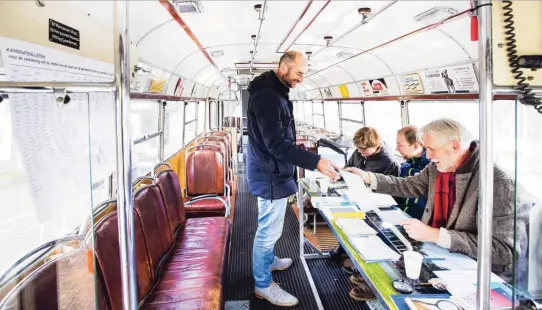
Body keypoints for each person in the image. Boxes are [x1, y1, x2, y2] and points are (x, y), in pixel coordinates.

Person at [345, 118, 530, 279]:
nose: (428, 156)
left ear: (455, 146)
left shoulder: (499, 184)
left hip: (479, 272)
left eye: (432, 149)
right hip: (439, 253)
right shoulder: (436, 169)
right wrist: (368, 177)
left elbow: (503, 252)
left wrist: (436, 235)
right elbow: (408, 185)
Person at [246, 50, 340, 307]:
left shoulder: (274, 92)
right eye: (299, 72)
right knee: (268, 231)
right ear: (284, 67)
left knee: (272, 228)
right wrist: (316, 161)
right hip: (269, 175)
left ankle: (268, 261)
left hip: (272, 171)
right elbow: (276, 144)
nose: (302, 78)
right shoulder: (267, 96)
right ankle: (263, 284)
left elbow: (279, 139)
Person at [395, 125, 431, 219]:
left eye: (400, 145)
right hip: (402, 217)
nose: (396, 149)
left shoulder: (432, 168)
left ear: (415, 146)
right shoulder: (405, 166)